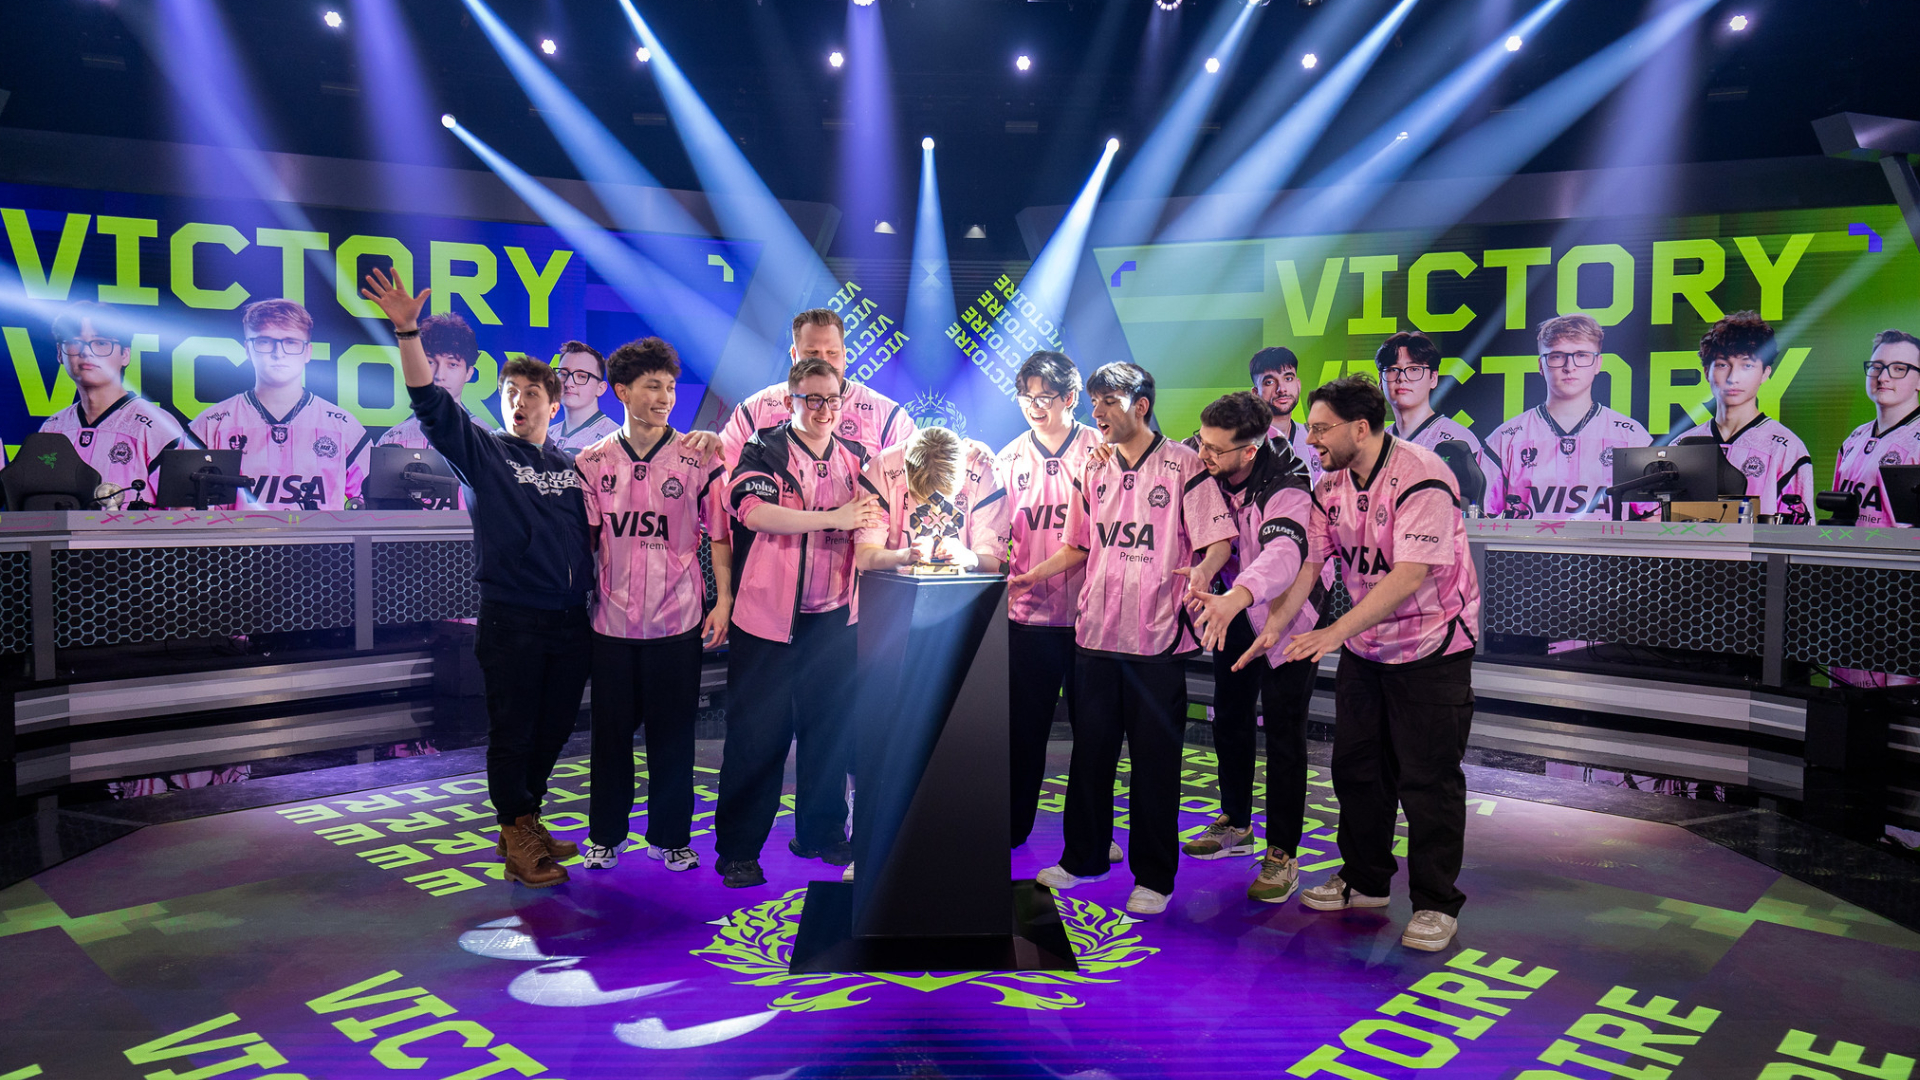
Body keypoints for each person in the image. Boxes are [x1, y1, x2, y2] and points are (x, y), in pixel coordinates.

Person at [361, 267, 594, 890]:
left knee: (554, 728)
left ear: (553, 403)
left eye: (531, 393)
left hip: (570, 619)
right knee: (514, 731)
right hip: (513, 617)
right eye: (510, 392)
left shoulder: (572, 466)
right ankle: (516, 832)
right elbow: (432, 407)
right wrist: (407, 332)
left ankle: (526, 817)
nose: (519, 402)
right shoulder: (487, 452)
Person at [1256, 374, 1481, 952]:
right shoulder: (1329, 484)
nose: (1311, 440)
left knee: (1427, 779)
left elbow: (1409, 576)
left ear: (1361, 428)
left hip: (1431, 646)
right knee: (1356, 769)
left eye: (1322, 429)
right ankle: (1364, 878)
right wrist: (1277, 625)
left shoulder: (1424, 475)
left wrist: (1333, 632)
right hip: (1366, 647)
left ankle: (1435, 903)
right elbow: (1310, 563)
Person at [1012, 362, 1235, 916]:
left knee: (1155, 765)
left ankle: (1154, 878)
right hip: (1095, 636)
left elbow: (1219, 541)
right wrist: (1031, 576)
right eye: (1095, 402)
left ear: (1141, 404)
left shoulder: (1184, 465)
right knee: (1090, 756)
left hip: (1157, 640)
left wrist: (1204, 571)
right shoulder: (1095, 466)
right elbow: (1079, 545)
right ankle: (1082, 858)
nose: (1099, 412)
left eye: (1109, 401)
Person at [713, 356, 883, 888]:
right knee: (757, 738)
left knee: (829, 734)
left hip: (834, 619)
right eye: (811, 399)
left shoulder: (859, 456)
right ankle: (738, 850)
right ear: (791, 400)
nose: (823, 410)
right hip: (767, 621)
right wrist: (834, 517)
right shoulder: (764, 447)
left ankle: (821, 833)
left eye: (831, 400)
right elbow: (754, 513)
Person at [574, 337, 732, 875]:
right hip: (611, 625)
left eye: (669, 387)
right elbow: (586, 542)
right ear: (621, 391)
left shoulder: (698, 457)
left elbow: (720, 536)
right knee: (610, 740)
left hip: (677, 622)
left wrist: (723, 600)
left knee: (674, 738)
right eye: (652, 387)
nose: (665, 397)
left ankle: (670, 837)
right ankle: (605, 836)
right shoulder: (591, 462)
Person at [1174, 392, 1323, 906]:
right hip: (1230, 609)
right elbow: (1156, 456)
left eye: (1215, 450)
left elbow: (1284, 554)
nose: (1203, 455)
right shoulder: (1202, 454)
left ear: (1250, 451)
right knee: (1230, 719)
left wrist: (1239, 595)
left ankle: (1283, 853)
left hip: (1288, 616)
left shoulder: (1288, 479)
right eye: (1202, 442)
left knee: (1283, 733)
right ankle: (1236, 823)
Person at [994, 351, 1104, 853]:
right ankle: (1010, 829)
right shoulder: (1007, 459)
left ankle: (1091, 837)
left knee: (1095, 737)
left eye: (1046, 397)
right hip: (1028, 618)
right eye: (1026, 397)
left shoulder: (1102, 450)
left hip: (1092, 620)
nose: (1034, 406)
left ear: (1071, 397)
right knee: (1022, 734)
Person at [189, 298, 371, 511]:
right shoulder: (211, 425)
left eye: (291, 342)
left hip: (320, 535)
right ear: (248, 349)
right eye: (265, 341)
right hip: (238, 535)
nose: (278, 353)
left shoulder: (344, 427)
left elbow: (374, 507)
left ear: (308, 352)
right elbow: (183, 511)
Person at [1482, 315, 1650, 520]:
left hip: (1606, 543)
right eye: (1557, 356)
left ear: (1598, 363)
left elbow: (1652, 518)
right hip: (1525, 543)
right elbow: (1483, 518)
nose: (1570, 367)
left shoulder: (1632, 437)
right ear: (1541, 365)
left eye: (1581, 355)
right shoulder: (1505, 439)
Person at [719, 308, 913, 471]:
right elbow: (722, 473)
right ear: (794, 355)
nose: (823, 362)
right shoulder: (756, 409)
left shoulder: (886, 415)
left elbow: (917, 477)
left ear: (844, 355)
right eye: (812, 353)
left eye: (832, 353)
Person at [38, 301, 190, 503]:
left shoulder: (156, 426)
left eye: (101, 343)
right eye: (74, 342)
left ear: (125, 355)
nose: (86, 352)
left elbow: (185, 509)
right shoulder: (52, 428)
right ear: (60, 352)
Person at [1686, 311, 1814, 523]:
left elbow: (1802, 530)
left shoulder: (1787, 450)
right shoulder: (1681, 445)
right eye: (1723, 365)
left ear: (1765, 373)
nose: (1733, 378)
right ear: (1706, 372)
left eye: (1747, 365)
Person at [852, 425, 1007, 574]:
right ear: (906, 475)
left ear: (962, 477)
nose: (935, 511)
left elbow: (992, 562)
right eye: (922, 500)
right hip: (891, 589)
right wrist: (904, 556)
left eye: (943, 500)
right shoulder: (881, 470)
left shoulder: (983, 470)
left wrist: (968, 558)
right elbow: (865, 558)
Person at [374, 313, 488, 509]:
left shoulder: (488, 440)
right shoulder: (392, 440)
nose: (439, 375)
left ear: (469, 373)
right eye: (430, 362)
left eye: (452, 364)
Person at [1834, 329, 1920, 528]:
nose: (1882, 377)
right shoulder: (1854, 439)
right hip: (1848, 547)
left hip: (1900, 549)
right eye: (1876, 367)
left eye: (1899, 368)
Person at [1377, 331, 1485, 470]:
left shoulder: (1459, 440)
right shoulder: (1375, 445)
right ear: (1381, 380)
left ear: (1433, 378)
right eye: (1393, 369)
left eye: (1414, 369)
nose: (1402, 378)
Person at [1251, 346, 1322, 489]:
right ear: (1255, 393)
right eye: (1269, 382)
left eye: (1288, 379)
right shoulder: (1243, 445)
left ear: (1298, 385)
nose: (1281, 389)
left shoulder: (1315, 439)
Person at [546, 341, 622, 456]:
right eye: (563, 374)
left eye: (581, 376)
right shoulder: (548, 434)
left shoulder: (615, 439)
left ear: (600, 388)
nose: (568, 383)